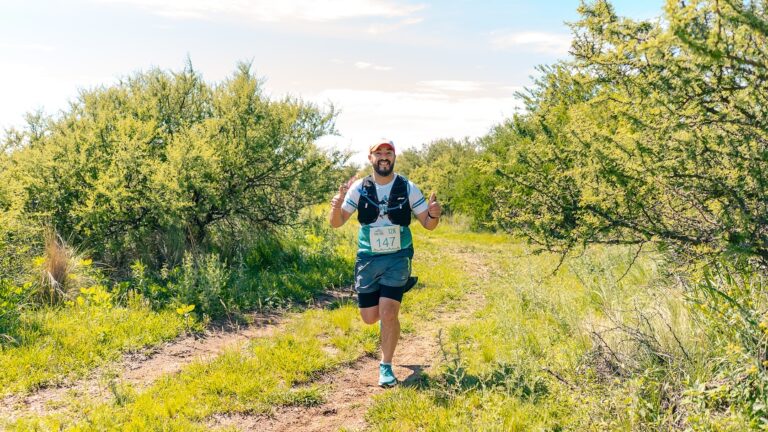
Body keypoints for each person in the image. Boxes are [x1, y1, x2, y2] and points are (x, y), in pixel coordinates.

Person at [329, 138, 442, 387]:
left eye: (388, 152)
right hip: (368, 258)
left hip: (398, 256)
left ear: (394, 157)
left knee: (389, 312)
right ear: (371, 158)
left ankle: (386, 366)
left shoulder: (408, 187)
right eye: (378, 153)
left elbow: (428, 224)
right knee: (370, 317)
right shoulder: (359, 188)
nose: (383, 157)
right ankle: (385, 314)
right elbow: (336, 222)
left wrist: (434, 214)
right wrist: (336, 207)